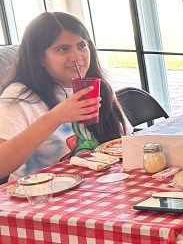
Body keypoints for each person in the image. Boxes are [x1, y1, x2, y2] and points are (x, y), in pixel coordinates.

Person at [0, 11, 126, 181]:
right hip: (41, 198)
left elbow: (124, 141)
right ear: (39, 58)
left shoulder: (96, 86)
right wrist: (54, 118)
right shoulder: (19, 98)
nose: (76, 57)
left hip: (98, 189)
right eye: (63, 49)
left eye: (82, 45)